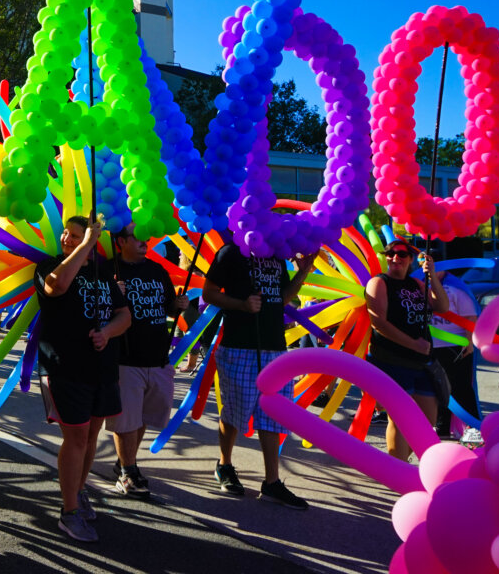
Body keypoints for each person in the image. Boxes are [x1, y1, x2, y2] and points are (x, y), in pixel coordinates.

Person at [34, 212, 131, 543]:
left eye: (75, 235)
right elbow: (57, 286)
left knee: (91, 436)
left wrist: (106, 333)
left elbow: (124, 315)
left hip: (102, 368)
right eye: (65, 234)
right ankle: (69, 511)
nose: (66, 239)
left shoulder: (103, 272)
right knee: (75, 438)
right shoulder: (50, 266)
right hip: (64, 366)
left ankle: (76, 490)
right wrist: (86, 244)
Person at [201, 239, 316, 509]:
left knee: (273, 415)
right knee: (235, 411)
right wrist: (241, 304)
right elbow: (209, 293)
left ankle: (272, 482)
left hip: (275, 347)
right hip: (239, 345)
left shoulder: (277, 254)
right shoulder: (231, 252)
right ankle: (224, 465)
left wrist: (302, 271)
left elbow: (281, 298)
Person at [106, 223, 185, 497]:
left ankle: (126, 462)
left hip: (158, 356)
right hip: (126, 357)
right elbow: (98, 312)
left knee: (143, 417)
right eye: (136, 238)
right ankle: (128, 471)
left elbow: (167, 308)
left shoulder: (156, 269)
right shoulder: (109, 270)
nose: (144, 241)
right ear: (121, 242)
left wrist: (178, 306)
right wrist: (113, 295)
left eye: (145, 237)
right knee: (126, 419)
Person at [364, 239, 448, 461]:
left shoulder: (417, 284)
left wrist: (432, 276)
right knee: (400, 420)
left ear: (411, 259)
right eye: (390, 253)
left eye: (401, 254)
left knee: (427, 420)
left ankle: (394, 462)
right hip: (391, 360)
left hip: (422, 362)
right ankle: (398, 470)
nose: (394, 258)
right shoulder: (379, 283)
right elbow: (378, 323)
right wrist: (414, 344)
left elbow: (442, 307)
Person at [430, 275, 480, 437]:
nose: (427, 268)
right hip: (432, 346)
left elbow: (470, 316)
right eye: (421, 262)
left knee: (461, 389)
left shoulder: (456, 288)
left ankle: (474, 430)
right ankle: (442, 426)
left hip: (455, 346)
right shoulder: (421, 285)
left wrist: (469, 342)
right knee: (438, 388)